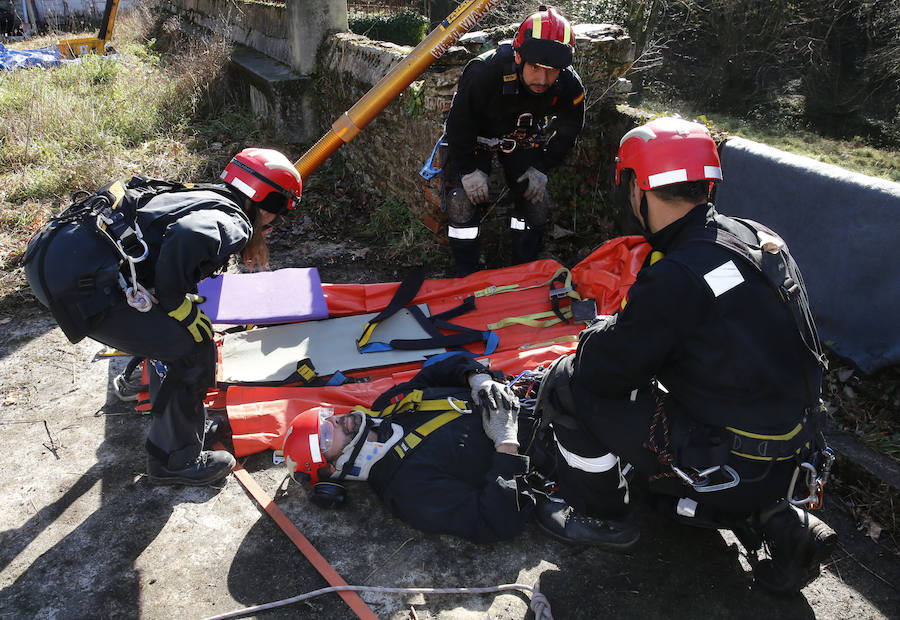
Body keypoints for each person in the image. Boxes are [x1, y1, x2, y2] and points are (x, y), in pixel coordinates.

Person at [533, 117, 838, 594]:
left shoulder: (678, 276)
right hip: (795, 452)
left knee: (570, 383)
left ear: (636, 188)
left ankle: (602, 515)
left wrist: (600, 332)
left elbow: (604, 372)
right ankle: (776, 518)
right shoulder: (757, 236)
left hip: (732, 462)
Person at [24, 148, 302, 486]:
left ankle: (163, 409)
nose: (278, 224)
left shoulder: (204, 193)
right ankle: (175, 460)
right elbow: (187, 237)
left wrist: (172, 304)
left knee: (166, 322)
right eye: (279, 214)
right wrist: (178, 305)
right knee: (193, 347)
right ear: (267, 203)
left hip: (59, 256)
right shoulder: (233, 222)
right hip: (83, 284)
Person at [281, 353, 544, 544]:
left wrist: (479, 380)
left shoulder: (389, 406)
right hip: (553, 444)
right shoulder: (409, 493)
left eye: (328, 419)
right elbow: (495, 523)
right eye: (326, 434)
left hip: (540, 392)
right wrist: (506, 442)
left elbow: (441, 368)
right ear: (333, 469)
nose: (336, 422)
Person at [442, 5, 585, 276]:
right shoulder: (485, 72)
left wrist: (543, 166)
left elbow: (570, 128)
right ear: (519, 57)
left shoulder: (568, 84)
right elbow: (458, 124)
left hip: (523, 137)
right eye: (535, 68)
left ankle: (525, 266)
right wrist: (468, 169)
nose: (543, 79)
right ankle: (465, 271)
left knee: (536, 200)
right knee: (461, 201)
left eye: (552, 70)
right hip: (476, 138)